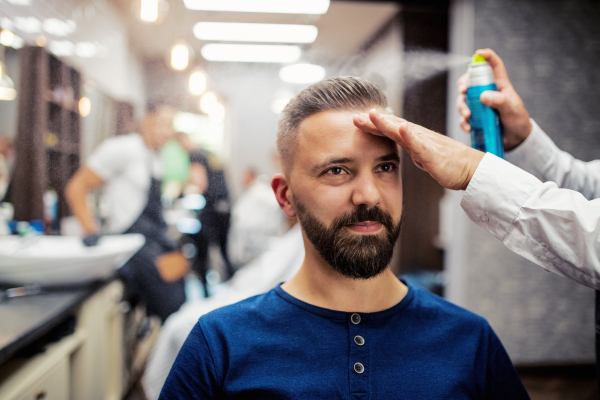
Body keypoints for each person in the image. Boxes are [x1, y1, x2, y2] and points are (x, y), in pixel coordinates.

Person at [159, 77, 528, 399]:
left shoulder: (469, 342)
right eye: (337, 170)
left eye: (385, 167)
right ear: (286, 196)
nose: (368, 195)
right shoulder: (219, 345)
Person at [66, 104, 187, 322]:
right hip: (132, 246)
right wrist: (90, 228)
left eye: (172, 126)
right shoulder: (122, 149)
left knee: (180, 296)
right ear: (147, 121)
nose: (168, 132)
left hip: (155, 241)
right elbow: (77, 187)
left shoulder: (156, 158)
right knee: (169, 305)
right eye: (163, 124)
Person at [176, 134, 235, 287]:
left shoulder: (194, 155)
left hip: (211, 211)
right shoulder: (210, 154)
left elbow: (200, 183)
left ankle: (205, 293)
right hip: (226, 208)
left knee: (202, 254)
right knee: (224, 253)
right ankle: (233, 288)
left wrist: (180, 193)